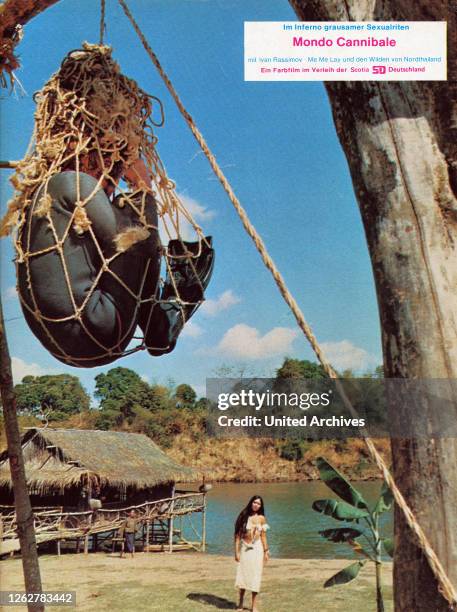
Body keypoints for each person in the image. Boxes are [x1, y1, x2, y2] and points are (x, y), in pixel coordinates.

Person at [234, 496, 270, 612]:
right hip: (245, 548)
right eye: (254, 502)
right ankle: (240, 603)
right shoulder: (243, 516)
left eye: (258, 504)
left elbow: (263, 536)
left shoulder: (261, 518)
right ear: (251, 503)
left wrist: (266, 551)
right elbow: (237, 536)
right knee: (243, 576)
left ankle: (254, 606)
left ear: (261, 506)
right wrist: (236, 552)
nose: (256, 505)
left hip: (257, 549)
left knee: (255, 576)